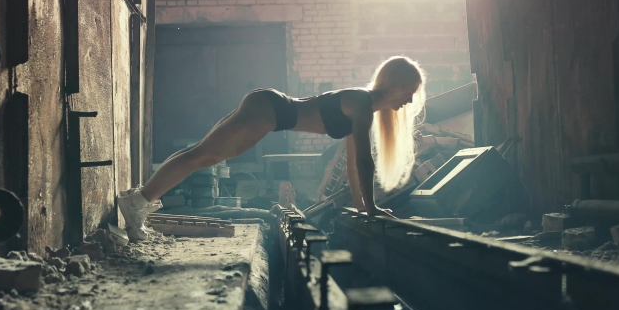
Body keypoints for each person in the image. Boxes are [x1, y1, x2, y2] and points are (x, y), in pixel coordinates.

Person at [119, 55, 427, 239]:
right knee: (200, 157)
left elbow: (351, 164)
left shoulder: (362, 104)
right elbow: (363, 161)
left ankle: (139, 198)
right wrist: (371, 208)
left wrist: (363, 207)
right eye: (409, 91)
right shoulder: (362, 103)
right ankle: (138, 202)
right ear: (395, 84)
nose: (410, 99)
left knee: (198, 154)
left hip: (268, 108)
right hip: (269, 112)